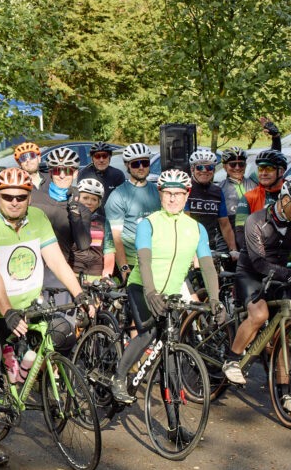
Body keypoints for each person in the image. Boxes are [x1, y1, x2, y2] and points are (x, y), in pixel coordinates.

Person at [0, 167, 85, 466]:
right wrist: (6, 312)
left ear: (30, 196)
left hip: (27, 301)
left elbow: (55, 258)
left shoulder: (39, 219)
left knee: (62, 331)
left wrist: (79, 293)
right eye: (8, 196)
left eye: (21, 196)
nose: (15, 202)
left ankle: (23, 367)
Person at [116, 170, 227, 405]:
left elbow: (207, 266)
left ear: (187, 195)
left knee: (171, 345)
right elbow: (144, 260)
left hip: (170, 294)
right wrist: (150, 292)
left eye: (178, 193)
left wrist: (215, 300)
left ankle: (174, 425)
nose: (173, 198)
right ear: (160, 194)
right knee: (147, 333)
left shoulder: (196, 229)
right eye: (168, 193)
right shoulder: (149, 224)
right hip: (142, 287)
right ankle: (118, 378)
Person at [219, 175, 291, 413]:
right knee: (260, 314)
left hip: (279, 275)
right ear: (285, 200)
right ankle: (232, 360)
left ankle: (285, 395)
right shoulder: (257, 220)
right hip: (251, 274)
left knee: (283, 333)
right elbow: (259, 263)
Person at [31, 146, 82, 302]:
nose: (61, 175)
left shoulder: (79, 206)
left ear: (75, 173)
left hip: (59, 272)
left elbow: (83, 243)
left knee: (62, 324)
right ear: (50, 173)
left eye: (66, 171)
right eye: (56, 171)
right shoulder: (34, 198)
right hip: (30, 271)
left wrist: (74, 211)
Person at [105, 143, 161, 274]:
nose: (141, 167)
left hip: (156, 260)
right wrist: (124, 269)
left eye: (145, 163)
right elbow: (116, 239)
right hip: (132, 261)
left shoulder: (158, 191)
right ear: (127, 165)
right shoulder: (118, 195)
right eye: (136, 164)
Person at [67, 176, 114, 281]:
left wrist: (106, 276)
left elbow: (109, 251)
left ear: (99, 203)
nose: (89, 202)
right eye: (85, 198)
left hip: (96, 277)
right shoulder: (69, 218)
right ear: (77, 198)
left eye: (94, 199)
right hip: (72, 274)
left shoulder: (103, 222)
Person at [184, 148, 229, 254]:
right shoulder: (185, 189)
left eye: (209, 167)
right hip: (190, 244)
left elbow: (225, 224)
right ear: (192, 170)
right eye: (199, 167)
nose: (204, 171)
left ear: (213, 170)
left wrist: (233, 250)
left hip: (211, 245)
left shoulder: (217, 191)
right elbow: (186, 221)